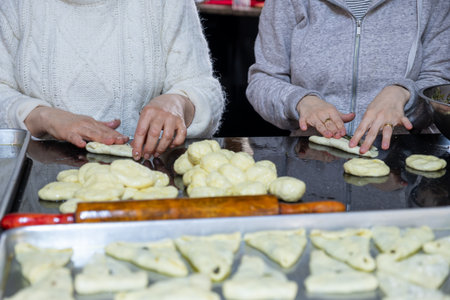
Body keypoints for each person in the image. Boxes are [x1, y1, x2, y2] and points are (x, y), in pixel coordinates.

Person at [0, 0, 225, 160]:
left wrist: (179, 102)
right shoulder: (15, 5)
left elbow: (205, 90)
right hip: (35, 184)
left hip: (149, 176)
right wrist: (40, 116)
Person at [247, 0, 449, 154]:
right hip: (311, 159)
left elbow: (440, 81)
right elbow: (263, 79)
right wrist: (300, 100)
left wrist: (404, 93)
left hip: (403, 165)